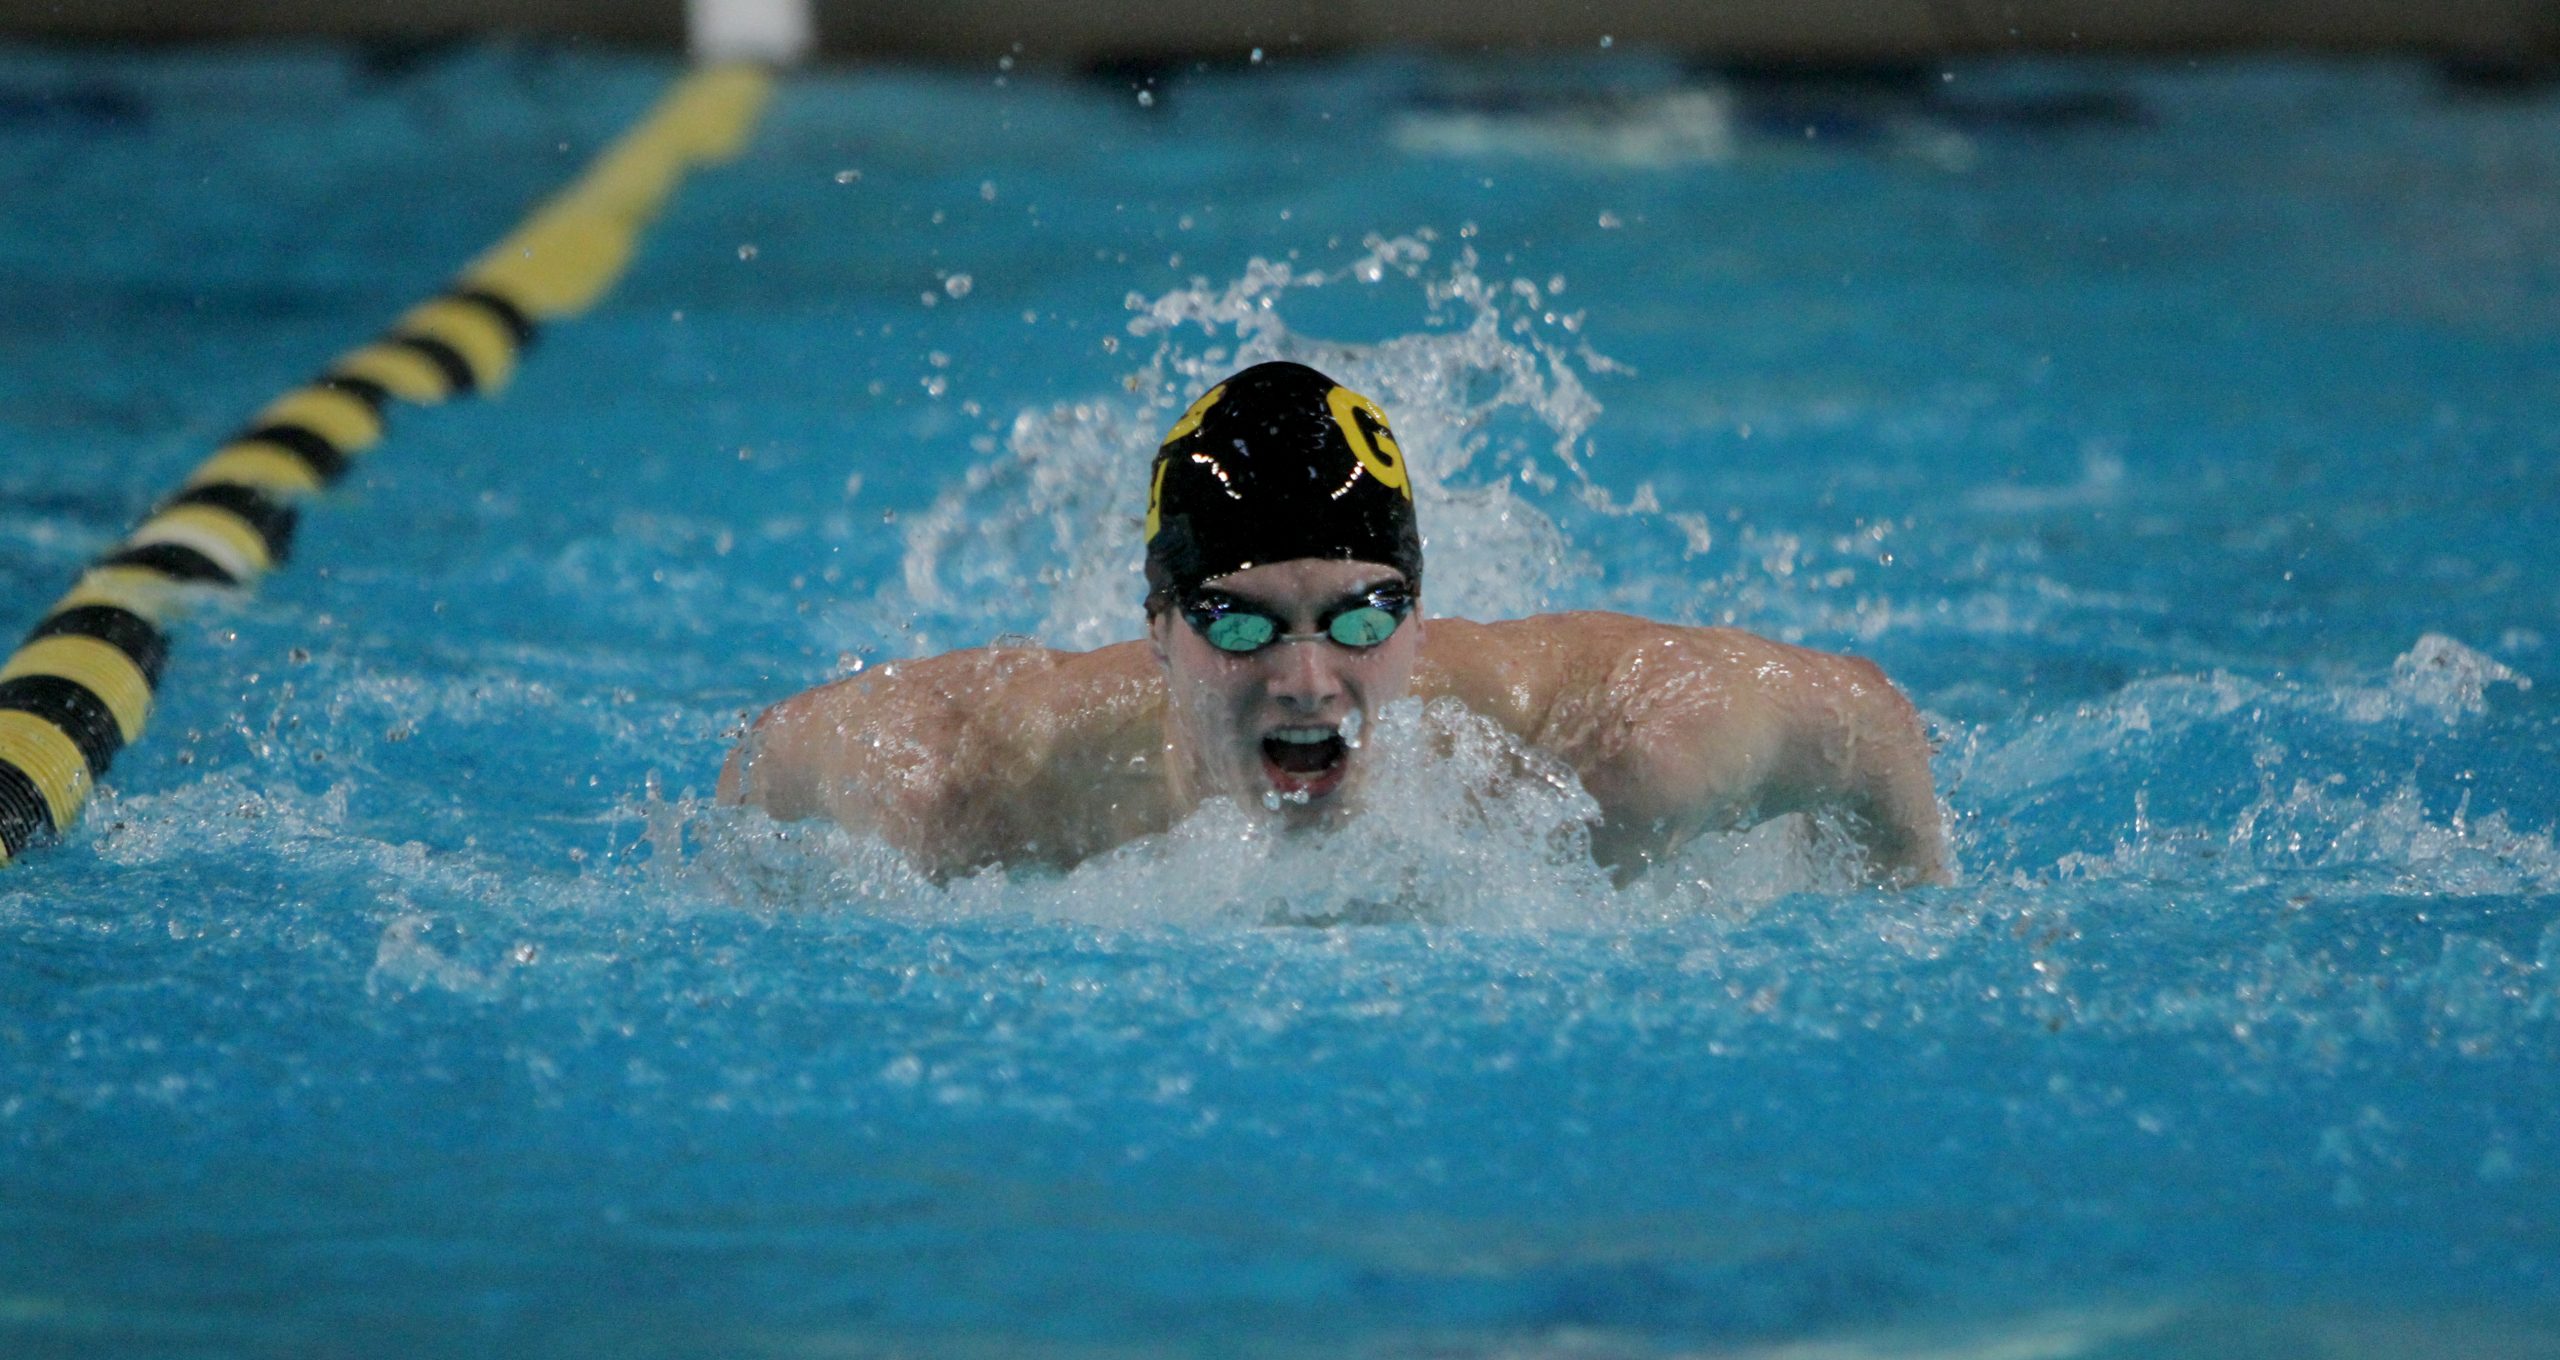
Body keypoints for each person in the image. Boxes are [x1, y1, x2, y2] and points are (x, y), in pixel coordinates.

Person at [719, 361, 1948, 886]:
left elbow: (1870, 721)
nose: (1308, 679)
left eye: (1360, 618)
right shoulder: (972, 783)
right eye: (1243, 627)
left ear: (1420, 616)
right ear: (1156, 627)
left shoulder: (1613, 754)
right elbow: (766, 762)